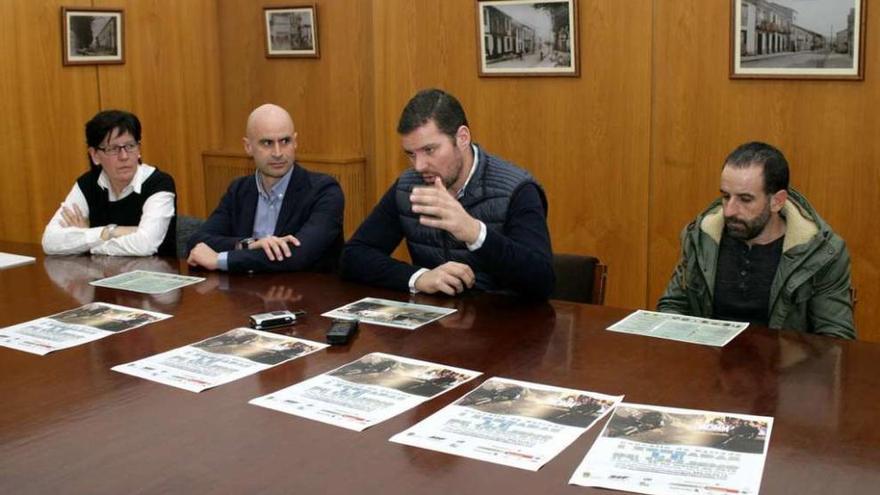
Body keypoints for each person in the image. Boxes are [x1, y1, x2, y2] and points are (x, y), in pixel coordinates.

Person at [341, 88, 554, 299]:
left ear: (462, 138)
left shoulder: (517, 190)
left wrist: (475, 233)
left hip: (505, 325)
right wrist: (420, 277)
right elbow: (353, 256)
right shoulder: (409, 187)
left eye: (429, 150)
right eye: (410, 154)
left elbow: (542, 281)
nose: (419, 166)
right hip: (436, 324)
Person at [657, 141, 855, 339]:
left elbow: (835, 339)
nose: (729, 210)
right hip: (707, 364)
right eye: (726, 196)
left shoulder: (821, 253)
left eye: (745, 199)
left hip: (784, 368)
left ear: (777, 201)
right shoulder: (701, 238)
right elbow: (672, 306)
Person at [186, 103, 343, 273]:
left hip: (308, 295)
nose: (278, 152)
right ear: (248, 147)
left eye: (285, 141)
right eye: (267, 143)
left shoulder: (324, 191)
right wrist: (250, 244)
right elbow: (197, 243)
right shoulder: (239, 190)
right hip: (246, 294)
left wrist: (221, 260)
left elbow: (297, 256)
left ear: (295, 142)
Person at [42, 110, 177, 256]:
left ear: (139, 149)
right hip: (101, 275)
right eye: (113, 149)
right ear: (95, 155)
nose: (124, 156)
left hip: (154, 275)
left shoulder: (159, 184)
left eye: (130, 146)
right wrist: (109, 232)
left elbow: (145, 245)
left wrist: (88, 242)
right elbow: (50, 241)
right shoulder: (87, 184)